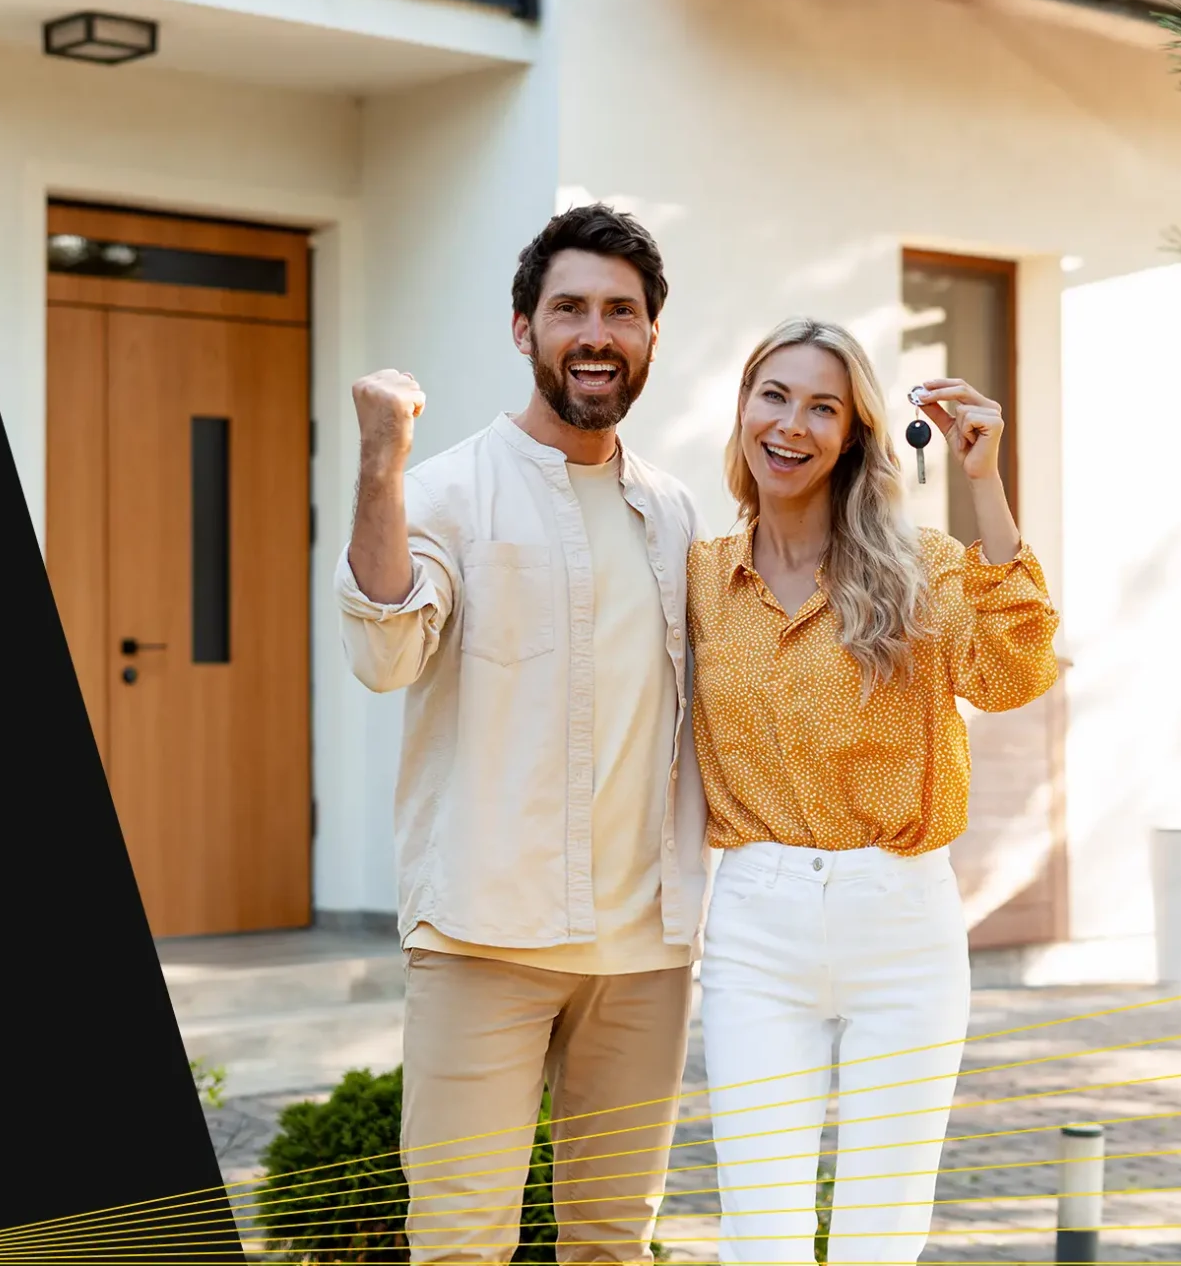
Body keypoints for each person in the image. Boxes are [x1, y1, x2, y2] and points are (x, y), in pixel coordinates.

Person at [336, 202, 709, 1265]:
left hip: (645, 947)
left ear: (648, 337)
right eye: (570, 308)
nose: (596, 331)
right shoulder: (442, 489)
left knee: (612, 1243)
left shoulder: (675, 514)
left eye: (620, 312)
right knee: (459, 1244)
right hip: (482, 935)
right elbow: (381, 653)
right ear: (522, 328)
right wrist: (379, 461)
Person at [683, 317, 1061, 1264]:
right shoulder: (697, 579)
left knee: (879, 1236)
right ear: (741, 409)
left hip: (901, 920)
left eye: (824, 408)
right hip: (756, 926)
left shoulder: (920, 566)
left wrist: (986, 483)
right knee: (758, 1233)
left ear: (853, 436)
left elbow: (1017, 669)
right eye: (774, 396)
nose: (792, 425)